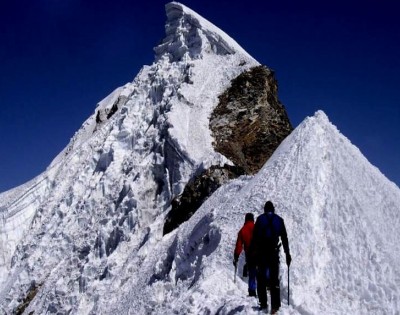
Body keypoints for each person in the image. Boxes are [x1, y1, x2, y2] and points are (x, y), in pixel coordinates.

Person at [251, 201, 291, 313]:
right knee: (274, 279)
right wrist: (287, 254)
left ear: (264, 209)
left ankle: (263, 304)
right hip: (274, 253)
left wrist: (253, 254)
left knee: (261, 278)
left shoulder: (260, 219)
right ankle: (275, 306)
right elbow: (284, 239)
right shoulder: (279, 220)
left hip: (262, 254)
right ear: (273, 209)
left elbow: (254, 239)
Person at [233, 213, 257, 297]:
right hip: (260, 253)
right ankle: (264, 289)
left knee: (252, 273)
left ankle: (252, 291)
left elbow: (239, 245)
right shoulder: (258, 227)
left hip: (250, 255)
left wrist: (236, 256)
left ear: (246, 219)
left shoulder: (242, 230)